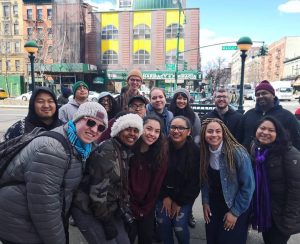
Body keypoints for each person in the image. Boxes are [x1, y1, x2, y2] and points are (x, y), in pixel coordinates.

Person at [0, 102, 108, 244]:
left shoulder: (80, 146)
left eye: (101, 127)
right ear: (76, 119)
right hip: (20, 225)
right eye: (90, 122)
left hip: (31, 221)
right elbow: (45, 209)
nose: (94, 129)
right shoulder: (53, 150)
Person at [71, 113, 143, 244]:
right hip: (87, 208)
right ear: (118, 130)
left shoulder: (125, 151)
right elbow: (97, 193)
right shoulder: (107, 151)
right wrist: (106, 221)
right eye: (128, 129)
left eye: (136, 130)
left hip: (109, 208)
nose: (132, 134)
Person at [200, 118, 255, 244]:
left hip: (234, 204)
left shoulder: (237, 153)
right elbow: (205, 180)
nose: (214, 135)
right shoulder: (204, 152)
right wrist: (205, 202)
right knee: (212, 238)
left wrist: (235, 213)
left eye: (218, 131)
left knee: (229, 240)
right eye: (210, 131)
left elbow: (248, 186)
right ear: (204, 133)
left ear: (224, 133)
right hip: (214, 204)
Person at [250, 116, 300, 244]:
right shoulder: (256, 148)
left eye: (271, 130)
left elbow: (296, 190)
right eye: (262, 128)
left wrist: (289, 221)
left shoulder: (289, 153)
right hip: (266, 210)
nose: (265, 132)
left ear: (278, 134)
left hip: (282, 215)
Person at [156, 116, 200, 244]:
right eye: (173, 127)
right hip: (163, 194)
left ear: (189, 131)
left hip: (184, 196)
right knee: (163, 223)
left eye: (181, 128)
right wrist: (165, 196)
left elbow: (195, 182)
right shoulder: (161, 147)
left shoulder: (195, 151)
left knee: (179, 226)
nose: (176, 131)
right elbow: (156, 176)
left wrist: (179, 202)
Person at [128, 115, 169, 244]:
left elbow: (156, 187)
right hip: (127, 204)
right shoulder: (128, 150)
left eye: (157, 131)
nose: (152, 134)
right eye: (149, 129)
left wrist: (145, 209)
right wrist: (132, 207)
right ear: (141, 128)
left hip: (147, 206)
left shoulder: (160, 154)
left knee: (146, 237)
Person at [237, 80, 300, 151]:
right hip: (249, 159)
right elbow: (239, 138)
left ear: (273, 95)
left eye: (264, 93)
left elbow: (296, 141)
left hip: (277, 159)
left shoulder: (287, 116)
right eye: (257, 94)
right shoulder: (248, 114)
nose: (260, 96)